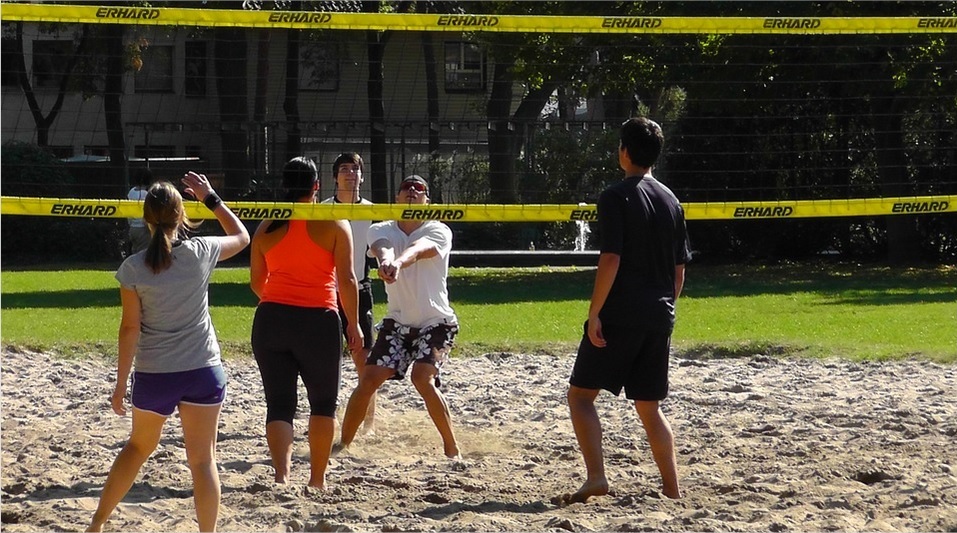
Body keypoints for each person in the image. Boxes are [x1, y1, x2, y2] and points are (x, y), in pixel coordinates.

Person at [87, 173, 250, 533]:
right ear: (182, 216)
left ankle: (97, 524)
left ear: (145, 219)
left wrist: (119, 386)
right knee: (203, 461)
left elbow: (129, 329)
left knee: (137, 448)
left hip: (156, 374)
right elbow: (243, 237)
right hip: (202, 370)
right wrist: (211, 198)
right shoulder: (201, 251)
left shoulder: (133, 268)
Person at [562, 117, 692, 504]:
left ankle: (597, 478)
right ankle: (671, 488)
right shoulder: (672, 200)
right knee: (649, 407)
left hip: (621, 312)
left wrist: (595, 312)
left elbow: (611, 259)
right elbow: (678, 271)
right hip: (659, 313)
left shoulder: (615, 195)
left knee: (581, 397)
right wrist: (666, 309)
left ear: (623, 151)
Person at [249, 156, 364, 489]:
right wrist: (352, 324)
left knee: (280, 404)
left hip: (271, 320)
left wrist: (280, 301)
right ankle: (317, 480)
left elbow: (257, 282)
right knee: (323, 403)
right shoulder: (333, 222)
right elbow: (348, 280)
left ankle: (282, 477)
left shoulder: (267, 224)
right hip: (318, 321)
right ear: (317, 186)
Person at [334, 175, 460, 459]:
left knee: (422, 378)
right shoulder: (382, 228)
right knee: (368, 379)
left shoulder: (438, 229)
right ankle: (343, 444)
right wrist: (387, 261)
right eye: (406, 187)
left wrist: (398, 263)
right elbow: (382, 247)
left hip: (437, 321)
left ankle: (451, 448)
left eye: (419, 189)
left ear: (427, 200)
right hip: (398, 324)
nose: (412, 191)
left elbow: (420, 250)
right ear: (397, 197)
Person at [322, 152, 377, 434]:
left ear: (362, 176)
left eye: (355, 169)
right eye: (344, 169)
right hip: (326, 290)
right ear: (335, 177)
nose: (350, 173)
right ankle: (325, 417)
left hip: (359, 288)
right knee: (324, 360)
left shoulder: (371, 210)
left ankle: (368, 423)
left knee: (364, 360)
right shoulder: (322, 210)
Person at [126, 168, 153, 255]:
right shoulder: (146, 194)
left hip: (132, 228)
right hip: (143, 228)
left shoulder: (131, 192)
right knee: (143, 255)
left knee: (135, 254)